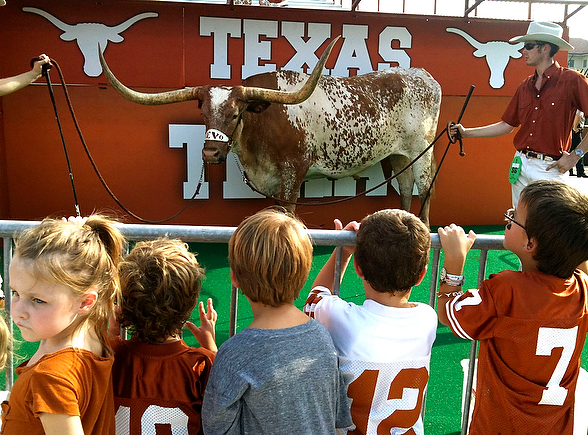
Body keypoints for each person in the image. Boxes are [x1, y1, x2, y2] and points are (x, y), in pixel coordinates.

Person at [436, 179, 588, 434]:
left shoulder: (507, 290)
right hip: (555, 426)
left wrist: (454, 263)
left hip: (500, 424)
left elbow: (448, 312)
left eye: (514, 217)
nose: (508, 219)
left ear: (531, 244)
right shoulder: (582, 289)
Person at [201, 208, 353, 434]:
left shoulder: (234, 353)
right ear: (304, 272)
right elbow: (336, 415)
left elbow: (216, 428)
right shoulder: (322, 338)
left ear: (234, 277)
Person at [304, 209, 438, 435]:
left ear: (358, 268)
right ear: (421, 275)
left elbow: (315, 296)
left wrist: (342, 252)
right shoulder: (427, 318)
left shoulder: (340, 318)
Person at [2, 214, 125, 435]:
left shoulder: (50, 377)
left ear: (86, 302)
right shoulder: (93, 336)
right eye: (15, 293)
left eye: (38, 300)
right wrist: (77, 240)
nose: (17, 310)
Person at [451, 21, 588, 207]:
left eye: (529, 46)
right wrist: (466, 133)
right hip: (520, 164)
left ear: (545, 48)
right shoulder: (525, 85)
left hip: (550, 168)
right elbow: (507, 125)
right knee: (518, 225)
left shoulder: (572, 81)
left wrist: (575, 156)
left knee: (548, 231)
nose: (523, 50)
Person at [109, 237, 217, 434]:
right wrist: (211, 347)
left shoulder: (109, 355)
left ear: (123, 306)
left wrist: (109, 333)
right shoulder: (202, 364)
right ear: (192, 305)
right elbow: (221, 394)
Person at [570, 111, 586, 177]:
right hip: (575, 131)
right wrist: (575, 127)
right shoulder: (579, 107)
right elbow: (578, 116)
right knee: (579, 150)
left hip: (570, 131)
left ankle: (570, 171)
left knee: (569, 150)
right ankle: (580, 171)